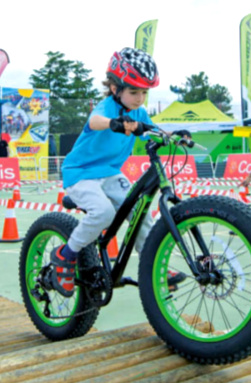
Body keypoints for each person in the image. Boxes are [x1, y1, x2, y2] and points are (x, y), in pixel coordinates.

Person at [50, 47, 182, 297]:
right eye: (134, 92)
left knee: (141, 212)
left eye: (144, 92)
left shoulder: (139, 112)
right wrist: (114, 124)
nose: (140, 98)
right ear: (115, 88)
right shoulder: (106, 108)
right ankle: (64, 255)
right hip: (81, 173)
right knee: (103, 213)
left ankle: (154, 266)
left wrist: (173, 136)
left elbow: (153, 129)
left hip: (110, 172)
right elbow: (94, 122)